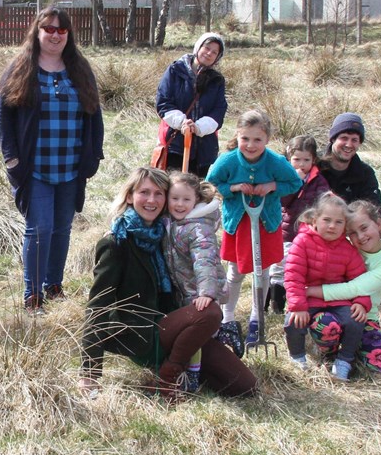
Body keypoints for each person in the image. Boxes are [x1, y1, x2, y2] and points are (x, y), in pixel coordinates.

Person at [79, 167, 256, 400]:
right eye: (144, 192)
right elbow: (98, 305)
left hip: (178, 325)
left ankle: (184, 365)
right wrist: (89, 372)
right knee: (210, 312)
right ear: (130, 196)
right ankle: (168, 375)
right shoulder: (116, 242)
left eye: (158, 193)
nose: (151, 200)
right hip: (143, 335)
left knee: (244, 385)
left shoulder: (168, 231)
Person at [0, 7, 104, 311]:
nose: (55, 35)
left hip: (70, 167)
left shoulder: (79, 68)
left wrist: (94, 154)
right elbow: (2, 116)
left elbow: (94, 114)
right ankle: (33, 295)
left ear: (68, 35)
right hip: (34, 168)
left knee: (61, 228)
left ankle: (54, 286)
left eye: (62, 30)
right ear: (38, 31)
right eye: (49, 29)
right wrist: (13, 160)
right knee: (39, 227)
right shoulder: (21, 68)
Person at [206, 109, 303, 347]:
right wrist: (234, 188)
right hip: (239, 223)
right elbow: (213, 181)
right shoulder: (228, 161)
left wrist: (272, 186)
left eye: (257, 139)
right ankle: (227, 318)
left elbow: (294, 182)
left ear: (267, 139)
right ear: (237, 136)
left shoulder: (275, 162)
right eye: (245, 139)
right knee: (236, 271)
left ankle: (256, 320)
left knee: (263, 271)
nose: (250, 145)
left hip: (265, 223)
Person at [282, 194, 369, 380]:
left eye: (339, 222)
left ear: (345, 225)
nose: (332, 226)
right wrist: (297, 306)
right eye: (327, 220)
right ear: (315, 219)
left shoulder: (348, 249)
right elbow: (293, 276)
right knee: (293, 321)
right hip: (309, 297)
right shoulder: (302, 242)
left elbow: (360, 279)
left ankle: (344, 361)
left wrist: (361, 302)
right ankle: (297, 357)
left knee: (355, 321)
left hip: (338, 300)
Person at [312, 201, 381, 375]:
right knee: (324, 324)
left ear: (379, 224)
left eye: (364, 228)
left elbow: (355, 288)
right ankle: (330, 354)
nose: (360, 237)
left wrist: (311, 291)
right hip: (335, 309)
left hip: (365, 317)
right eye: (352, 233)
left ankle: (353, 352)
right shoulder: (343, 248)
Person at [163, 171, 224, 393]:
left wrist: (206, 292)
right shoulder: (170, 222)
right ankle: (222, 333)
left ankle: (193, 373)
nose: (179, 204)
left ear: (196, 200)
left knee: (195, 333)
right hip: (183, 288)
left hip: (197, 290)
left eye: (186, 200)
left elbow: (204, 260)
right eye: (175, 198)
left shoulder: (198, 227)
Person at [154, 32, 228, 177]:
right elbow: (163, 101)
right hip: (175, 145)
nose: (209, 53)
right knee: (174, 189)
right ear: (198, 47)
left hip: (204, 148)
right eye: (206, 48)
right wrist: (183, 123)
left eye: (214, 52)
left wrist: (199, 127)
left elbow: (219, 110)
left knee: (199, 192)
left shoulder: (217, 80)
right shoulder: (175, 71)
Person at [319, 112, 381, 208]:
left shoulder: (365, 173)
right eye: (344, 138)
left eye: (354, 140)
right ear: (333, 139)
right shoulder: (313, 163)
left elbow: (377, 212)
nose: (349, 145)